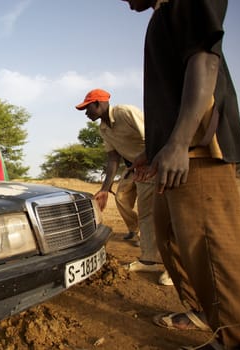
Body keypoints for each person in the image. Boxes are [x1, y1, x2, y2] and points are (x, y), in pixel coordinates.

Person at [122, 0, 240, 348]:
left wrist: (180, 142)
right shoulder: (162, 16)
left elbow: (204, 59)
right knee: (169, 239)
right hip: (173, 155)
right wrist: (150, 151)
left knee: (213, 251)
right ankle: (201, 312)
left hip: (197, 151)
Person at [75, 88, 171, 286]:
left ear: (98, 104)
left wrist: (144, 160)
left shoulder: (125, 112)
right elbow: (112, 159)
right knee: (146, 215)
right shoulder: (103, 129)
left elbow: (154, 137)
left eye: (87, 108)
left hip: (160, 166)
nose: (86, 113)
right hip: (141, 172)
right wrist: (104, 188)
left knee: (168, 217)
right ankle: (148, 259)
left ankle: (175, 269)